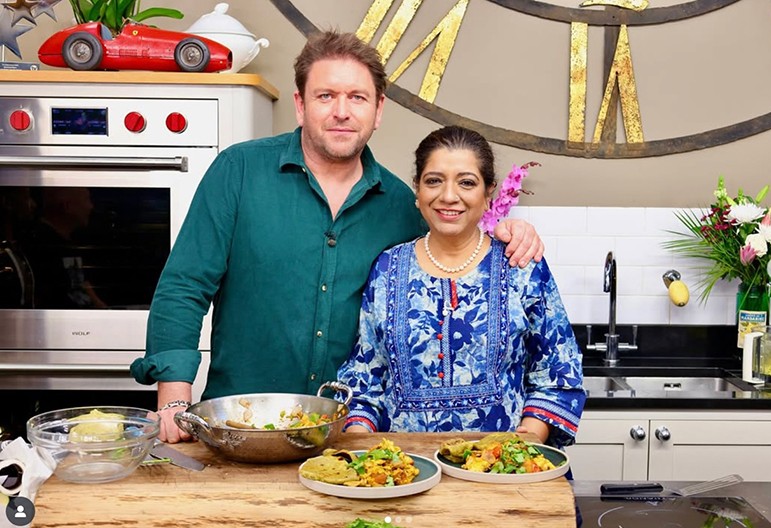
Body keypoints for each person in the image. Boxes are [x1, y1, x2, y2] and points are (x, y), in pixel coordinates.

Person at [131, 31, 544, 443]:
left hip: (350, 437)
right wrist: (173, 398)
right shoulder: (238, 172)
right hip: (241, 429)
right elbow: (185, 285)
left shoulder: (403, 206)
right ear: (300, 105)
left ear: (378, 110)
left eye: (357, 97)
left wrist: (504, 232)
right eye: (326, 96)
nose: (342, 112)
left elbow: (452, 253)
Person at [337, 126, 585, 450]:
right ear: (417, 190)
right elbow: (365, 377)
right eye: (434, 181)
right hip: (406, 468)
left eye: (466, 182)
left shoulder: (521, 265)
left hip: (502, 468)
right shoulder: (387, 269)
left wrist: (523, 444)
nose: (449, 196)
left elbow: (558, 371)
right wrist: (361, 447)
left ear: (488, 193)